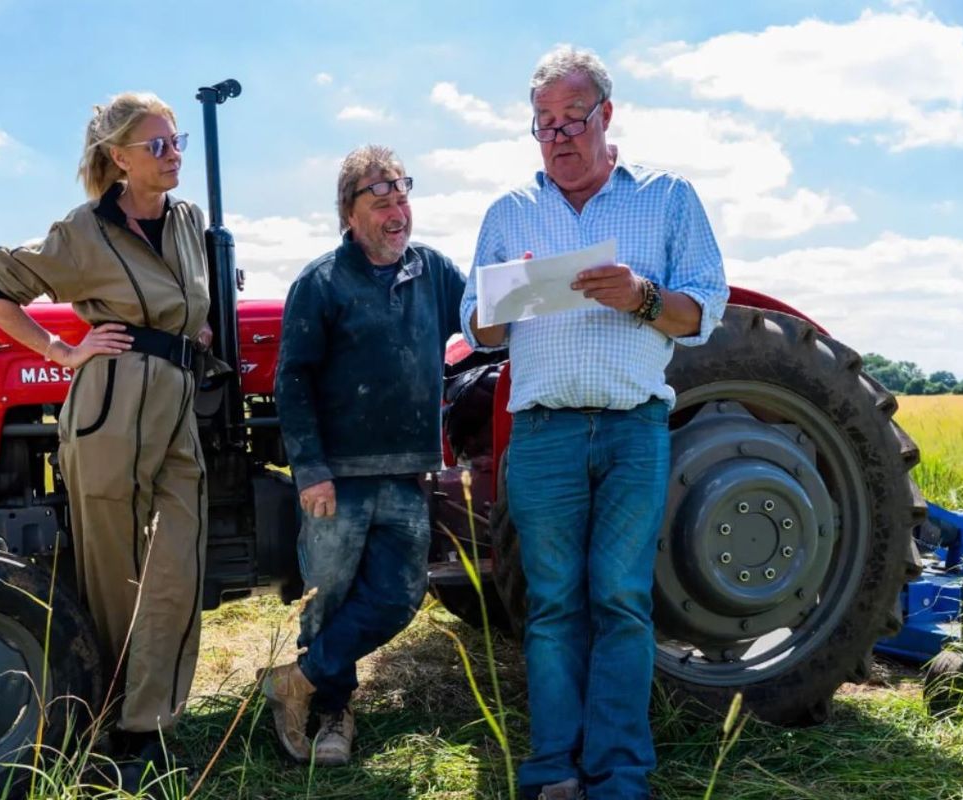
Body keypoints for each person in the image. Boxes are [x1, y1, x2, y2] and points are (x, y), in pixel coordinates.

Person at [461, 46, 729, 800]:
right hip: (542, 433)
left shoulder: (668, 198)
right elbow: (476, 326)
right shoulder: (509, 211)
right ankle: (553, 767)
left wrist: (642, 296)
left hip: (631, 429)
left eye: (572, 120)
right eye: (543, 123)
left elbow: (703, 311)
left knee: (620, 600)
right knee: (551, 605)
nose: (557, 137)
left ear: (606, 115)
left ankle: (617, 773)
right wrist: (503, 300)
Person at [0, 91, 212, 787]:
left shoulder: (190, 222)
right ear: (119, 157)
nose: (172, 155)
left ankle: (147, 716)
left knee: (178, 567)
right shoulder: (84, 231)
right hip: (109, 410)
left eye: (177, 141)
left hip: (175, 407)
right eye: (156, 145)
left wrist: (191, 328)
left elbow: (190, 301)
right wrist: (62, 351)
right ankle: (121, 735)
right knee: (113, 578)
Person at [263, 145, 467, 766]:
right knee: (328, 598)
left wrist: (520, 289)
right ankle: (333, 714)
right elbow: (292, 380)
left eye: (402, 196)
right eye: (380, 200)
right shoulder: (321, 281)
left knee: (398, 597)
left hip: (406, 474)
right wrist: (311, 471)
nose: (396, 210)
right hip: (339, 478)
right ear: (349, 214)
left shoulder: (434, 271)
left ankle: (296, 681)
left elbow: (482, 319)